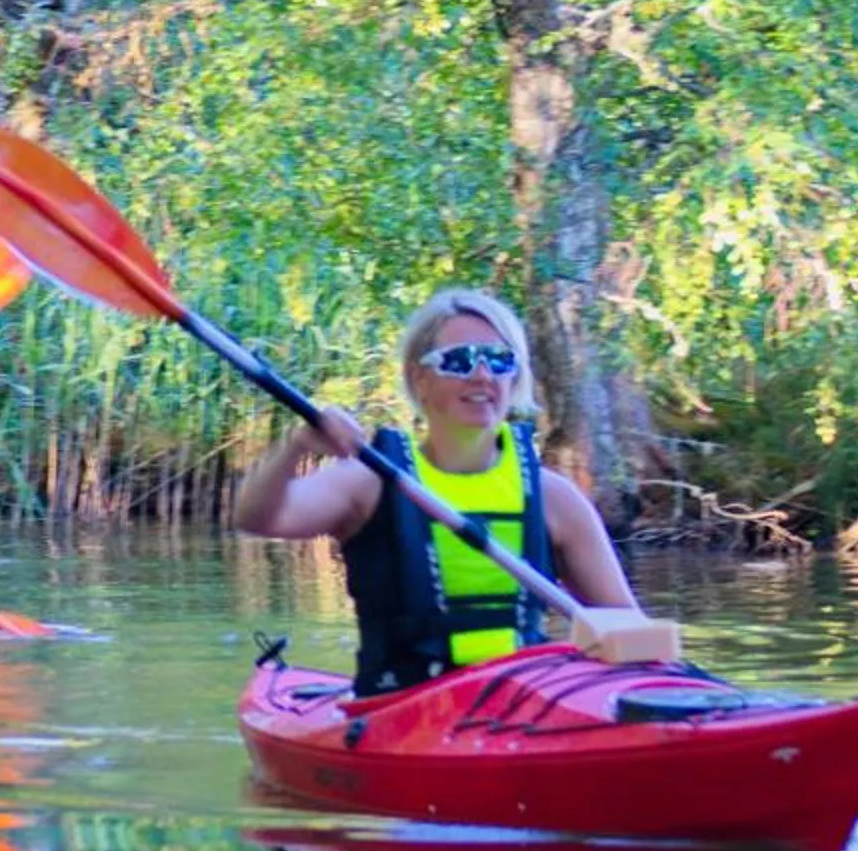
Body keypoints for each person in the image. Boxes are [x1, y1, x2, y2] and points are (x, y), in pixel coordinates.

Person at [233, 287, 642, 696]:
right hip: (400, 706)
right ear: (419, 378)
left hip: (522, 706)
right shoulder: (369, 483)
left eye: (499, 360)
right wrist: (297, 446)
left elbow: (626, 625)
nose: (482, 376)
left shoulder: (555, 498)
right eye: (459, 361)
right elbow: (257, 517)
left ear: (515, 376)